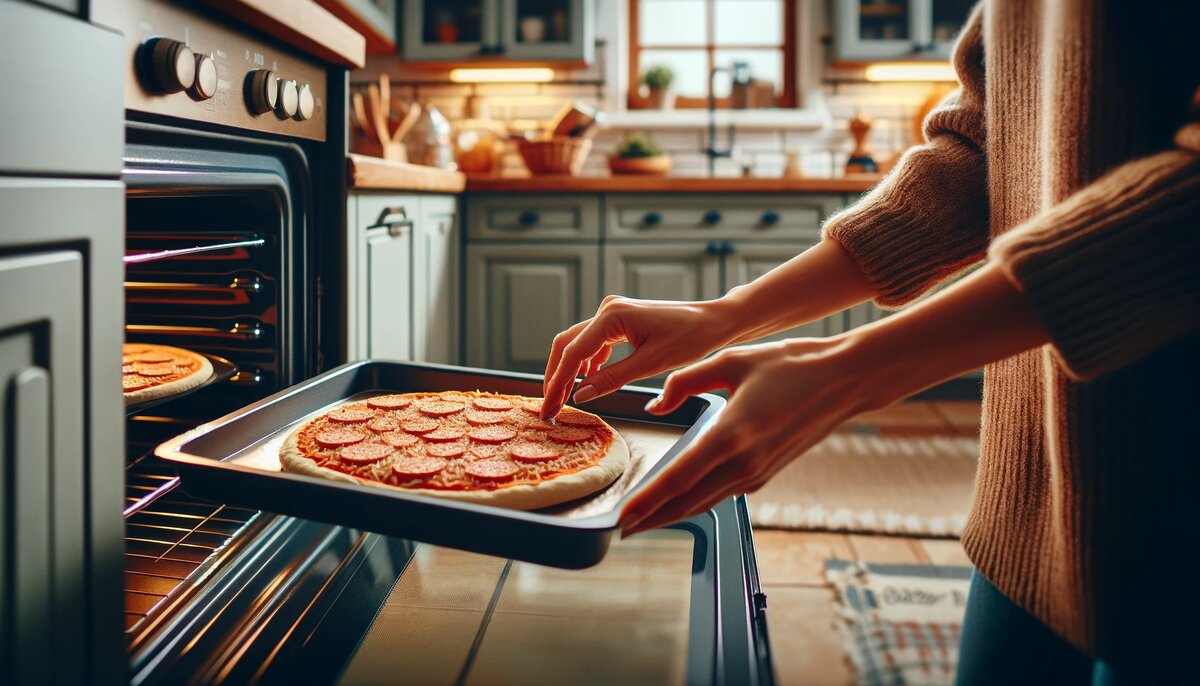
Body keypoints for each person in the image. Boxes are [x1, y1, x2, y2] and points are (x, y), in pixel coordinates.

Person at [540, 2, 1199, 684]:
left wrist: (849, 371)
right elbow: (982, 148)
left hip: (1175, 518)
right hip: (1031, 501)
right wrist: (724, 313)